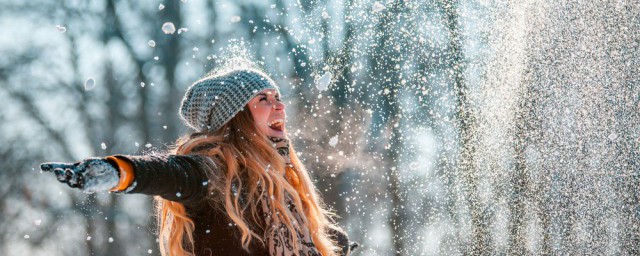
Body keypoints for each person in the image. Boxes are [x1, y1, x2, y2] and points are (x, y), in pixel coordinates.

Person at [40, 68, 356, 256]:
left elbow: (307, 234)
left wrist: (336, 244)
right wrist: (117, 171)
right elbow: (168, 173)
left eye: (277, 96)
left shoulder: (281, 187)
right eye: (263, 99)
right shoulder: (214, 171)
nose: (279, 105)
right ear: (236, 117)